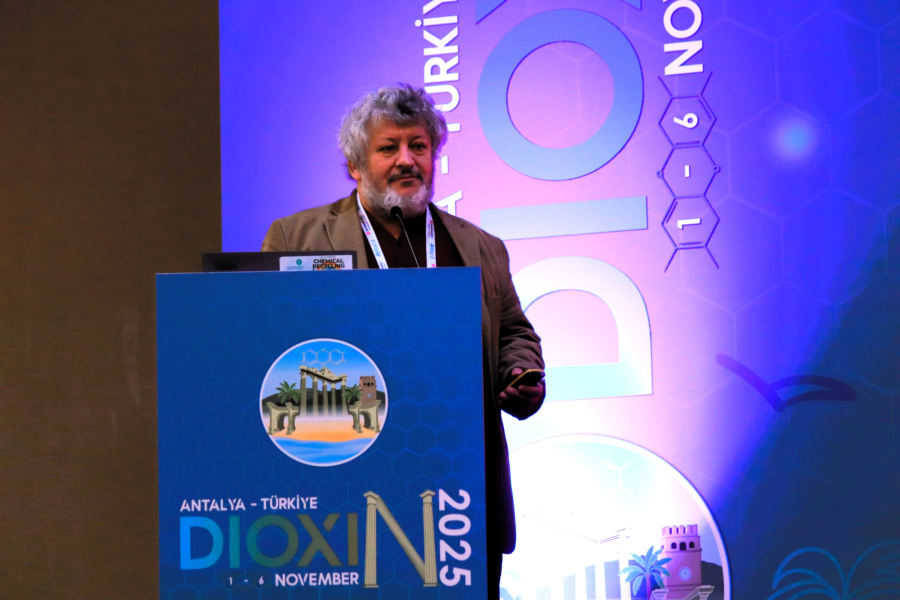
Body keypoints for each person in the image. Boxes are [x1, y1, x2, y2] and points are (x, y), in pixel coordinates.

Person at [262, 84, 545, 598]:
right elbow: (268, 340)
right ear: (355, 165)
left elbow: (513, 332)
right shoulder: (296, 238)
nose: (407, 160)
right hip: (344, 489)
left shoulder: (480, 246)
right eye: (388, 147)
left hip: (459, 491)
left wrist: (521, 374)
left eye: (419, 146)